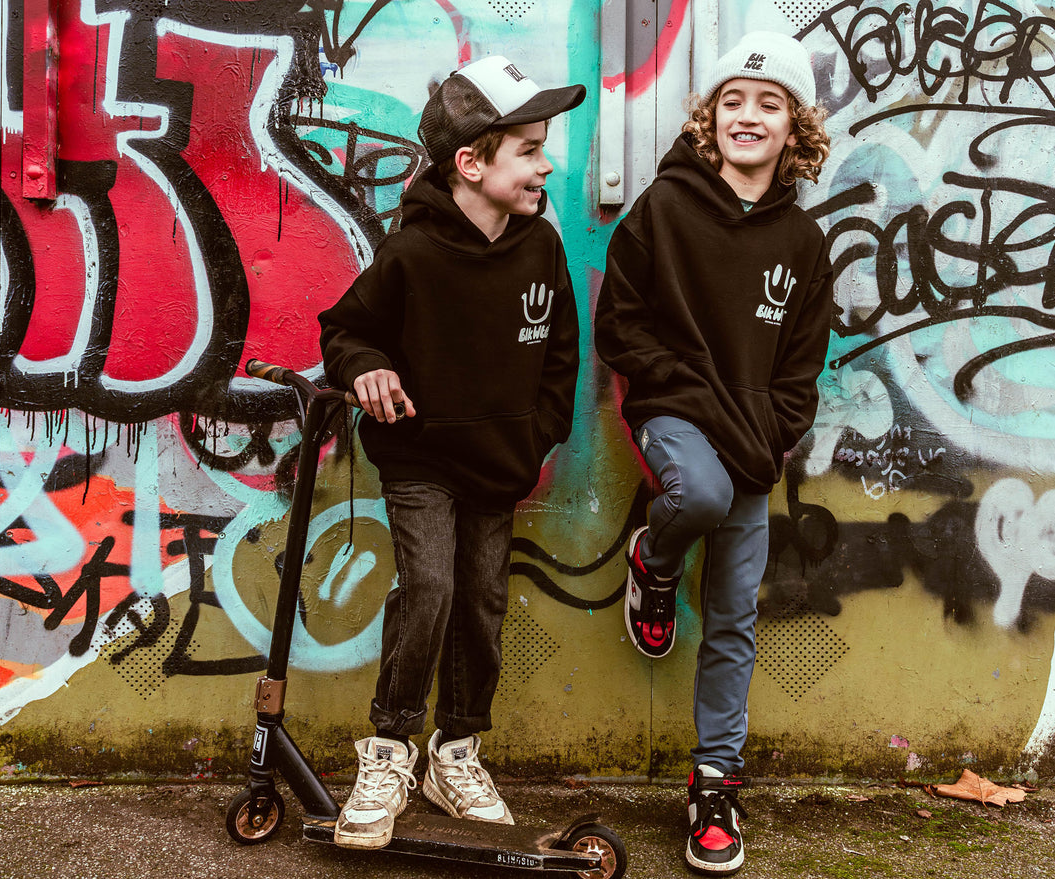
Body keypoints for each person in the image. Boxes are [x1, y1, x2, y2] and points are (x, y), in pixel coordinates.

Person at [317, 55, 583, 850]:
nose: (545, 164)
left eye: (543, 147)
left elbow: (561, 356)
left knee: (481, 604)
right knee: (429, 587)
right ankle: (389, 748)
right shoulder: (413, 253)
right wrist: (368, 368)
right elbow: (346, 330)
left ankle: (455, 752)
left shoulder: (541, 250)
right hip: (421, 459)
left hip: (498, 464)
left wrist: (534, 434)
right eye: (529, 150)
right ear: (470, 163)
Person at [594, 31, 833, 876]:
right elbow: (619, 323)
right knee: (695, 494)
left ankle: (714, 785)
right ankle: (654, 562)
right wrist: (683, 385)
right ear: (709, 117)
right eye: (733, 100)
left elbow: (802, 366)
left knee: (733, 616)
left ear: (796, 127)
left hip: (752, 442)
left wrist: (772, 430)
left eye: (770, 103)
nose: (748, 115)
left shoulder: (803, 242)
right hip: (676, 416)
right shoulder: (663, 208)